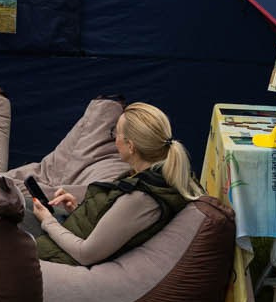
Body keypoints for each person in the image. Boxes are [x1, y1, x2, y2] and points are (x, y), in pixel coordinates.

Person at [29, 102, 201, 267]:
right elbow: (114, 226)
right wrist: (77, 209)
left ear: (131, 146)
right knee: (19, 203)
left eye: (115, 133)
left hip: (58, 256)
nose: (114, 139)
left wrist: (48, 221)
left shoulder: (141, 198)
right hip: (70, 231)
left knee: (8, 215)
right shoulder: (152, 179)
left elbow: (86, 253)